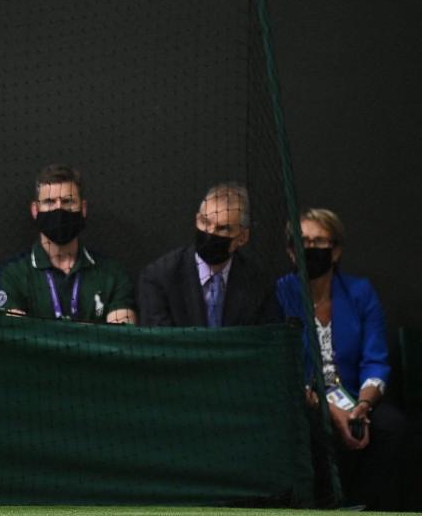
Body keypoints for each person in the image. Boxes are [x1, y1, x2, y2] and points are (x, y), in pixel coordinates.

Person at [277, 208, 406, 510]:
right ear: (291, 252)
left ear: (335, 251)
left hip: (353, 393)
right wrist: (329, 408)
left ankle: (361, 504)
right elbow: (281, 365)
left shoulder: (360, 292)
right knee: (314, 426)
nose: (311, 249)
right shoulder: (279, 293)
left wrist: (363, 405)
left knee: (392, 426)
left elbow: (376, 360)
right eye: (302, 241)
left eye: (320, 242)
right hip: (303, 399)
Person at [0, 164, 136, 323]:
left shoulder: (113, 274)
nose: (59, 210)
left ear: (83, 208)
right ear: (35, 210)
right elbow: (13, 337)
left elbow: (120, 341)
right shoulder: (11, 274)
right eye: (49, 202)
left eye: (68, 201)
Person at [137, 182, 281, 327]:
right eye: (205, 222)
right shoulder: (160, 277)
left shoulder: (258, 285)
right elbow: (160, 343)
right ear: (197, 219)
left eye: (223, 228)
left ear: (243, 237)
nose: (210, 233)